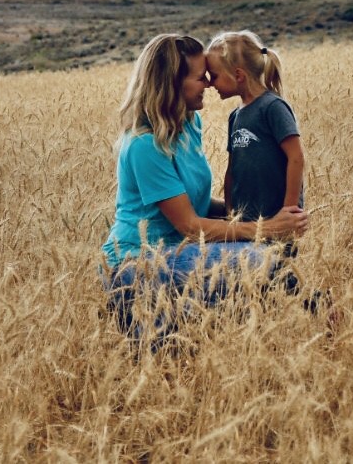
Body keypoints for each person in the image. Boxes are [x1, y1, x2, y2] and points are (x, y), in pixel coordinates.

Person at [102, 33, 308, 343]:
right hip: (137, 263)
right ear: (173, 84)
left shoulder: (188, 124)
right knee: (256, 260)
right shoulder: (145, 144)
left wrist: (256, 211)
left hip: (181, 252)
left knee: (258, 267)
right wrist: (267, 227)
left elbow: (194, 204)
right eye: (201, 77)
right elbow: (189, 225)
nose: (209, 84)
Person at [206, 30, 329, 314]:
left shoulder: (273, 107)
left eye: (214, 76)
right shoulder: (236, 116)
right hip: (247, 218)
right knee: (256, 283)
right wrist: (231, 212)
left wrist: (289, 210)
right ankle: (280, 321)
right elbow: (233, 167)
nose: (210, 83)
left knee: (280, 275)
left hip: (276, 216)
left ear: (238, 75)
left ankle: (321, 307)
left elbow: (296, 156)